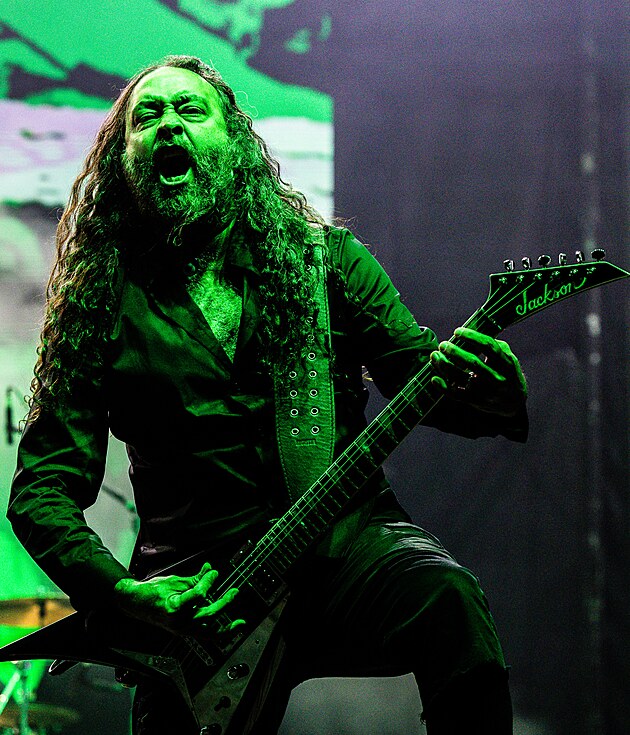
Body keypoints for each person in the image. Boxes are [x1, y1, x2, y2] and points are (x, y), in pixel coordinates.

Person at [7, 55, 528, 734]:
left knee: (448, 599)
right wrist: (123, 593)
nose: (168, 125)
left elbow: (425, 381)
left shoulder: (325, 263)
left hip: (344, 550)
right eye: (147, 116)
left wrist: (494, 392)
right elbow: (42, 489)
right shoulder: (100, 304)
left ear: (235, 144)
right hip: (198, 598)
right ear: (122, 161)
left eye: (190, 110)